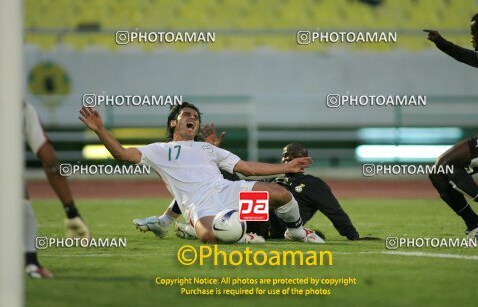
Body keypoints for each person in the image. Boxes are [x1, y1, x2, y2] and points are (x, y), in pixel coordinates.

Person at [79, 102, 325, 243]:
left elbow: (247, 169)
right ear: (174, 123)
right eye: (187, 115)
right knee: (210, 236)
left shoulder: (207, 148)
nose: (192, 119)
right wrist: (100, 130)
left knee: (280, 194)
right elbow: (122, 154)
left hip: (230, 194)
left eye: (195, 117)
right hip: (200, 206)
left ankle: (295, 231)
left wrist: (287, 167)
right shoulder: (158, 150)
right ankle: (230, 234)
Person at [424, 9, 478, 245]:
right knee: (438, 173)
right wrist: (440, 42)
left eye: (473, 34)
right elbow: (461, 54)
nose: (471, 40)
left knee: (444, 164)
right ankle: (474, 224)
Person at [24, 102, 91, 278]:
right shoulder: (22, 109)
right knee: (22, 205)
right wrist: (71, 212)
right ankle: (31, 265)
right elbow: (50, 162)